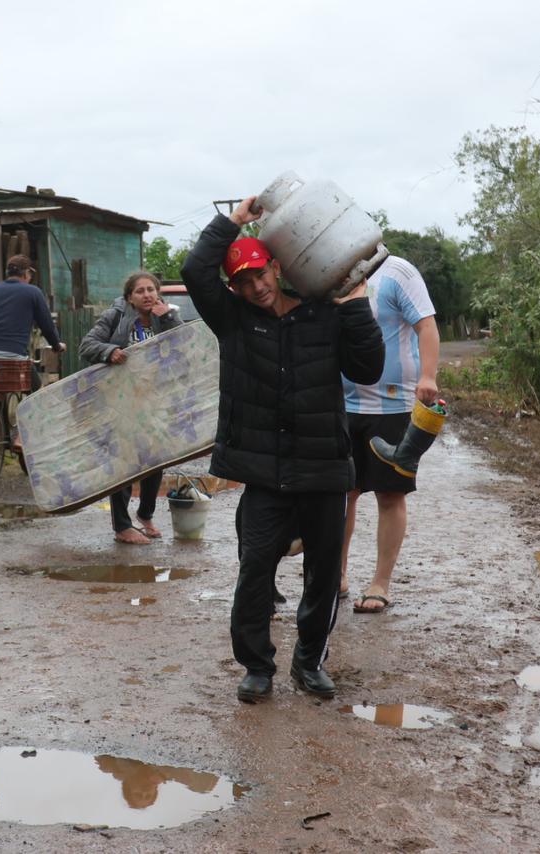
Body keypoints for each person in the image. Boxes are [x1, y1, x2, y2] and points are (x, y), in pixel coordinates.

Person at [181, 199, 384, 703]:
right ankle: (257, 667)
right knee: (255, 571)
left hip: (324, 471)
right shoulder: (232, 321)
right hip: (264, 474)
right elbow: (193, 269)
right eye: (243, 282)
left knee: (323, 575)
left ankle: (309, 661)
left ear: (276, 266)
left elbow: (368, 369)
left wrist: (356, 303)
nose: (255, 288)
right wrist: (233, 221)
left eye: (260, 275)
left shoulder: (324, 313)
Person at [340, 255, 439, 613]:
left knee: (390, 494)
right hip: (343, 403)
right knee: (342, 493)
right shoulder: (330, 270)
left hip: (393, 404)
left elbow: (426, 325)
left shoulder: (398, 272)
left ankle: (381, 582)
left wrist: (428, 377)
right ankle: (339, 573)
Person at [79, 271, 184, 544]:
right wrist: (109, 351)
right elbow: (87, 345)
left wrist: (169, 317)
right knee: (124, 460)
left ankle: (145, 515)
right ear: (129, 297)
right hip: (121, 401)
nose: (147, 294)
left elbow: (183, 347)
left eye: (151, 289)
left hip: (155, 401)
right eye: (140, 291)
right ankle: (122, 526)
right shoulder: (116, 316)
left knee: (156, 458)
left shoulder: (167, 316)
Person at [0, 254, 66, 389]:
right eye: (30, 274)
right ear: (25, 273)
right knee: (37, 392)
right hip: (13, 358)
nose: (30, 278)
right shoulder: (33, 292)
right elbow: (47, 327)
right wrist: (56, 346)